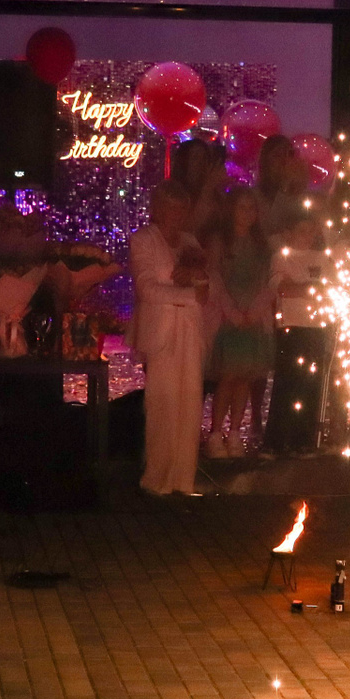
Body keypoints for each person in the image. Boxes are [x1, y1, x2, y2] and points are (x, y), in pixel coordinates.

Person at [129, 180, 209, 496]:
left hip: (190, 330)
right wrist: (189, 294)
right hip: (161, 332)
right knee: (162, 403)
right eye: (170, 209)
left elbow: (205, 283)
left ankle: (182, 479)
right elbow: (147, 288)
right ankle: (157, 478)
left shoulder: (190, 242)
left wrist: (196, 281)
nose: (176, 215)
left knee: (189, 402)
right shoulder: (143, 240)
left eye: (181, 210)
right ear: (158, 209)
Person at [203, 187, 275, 459]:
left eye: (251, 208)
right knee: (228, 376)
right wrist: (232, 312)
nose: (247, 213)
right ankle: (215, 432)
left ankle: (234, 431)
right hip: (227, 319)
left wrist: (255, 311)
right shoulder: (221, 242)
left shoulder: (260, 246)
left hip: (252, 318)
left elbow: (266, 281)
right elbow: (215, 278)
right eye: (241, 207)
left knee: (245, 377)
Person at [263, 214, 329, 456]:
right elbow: (282, 288)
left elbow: (330, 288)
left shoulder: (323, 258)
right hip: (291, 326)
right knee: (288, 382)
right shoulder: (281, 257)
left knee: (310, 383)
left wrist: (302, 288)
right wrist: (310, 288)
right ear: (289, 233)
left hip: (316, 326)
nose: (308, 236)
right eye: (302, 230)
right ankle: (277, 441)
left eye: (311, 231)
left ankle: (303, 440)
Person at [256, 134, 312, 240]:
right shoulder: (256, 195)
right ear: (266, 161)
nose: (284, 160)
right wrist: (285, 185)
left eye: (289, 154)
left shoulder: (300, 195)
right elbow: (272, 229)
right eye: (278, 155)